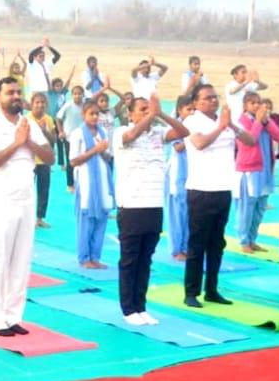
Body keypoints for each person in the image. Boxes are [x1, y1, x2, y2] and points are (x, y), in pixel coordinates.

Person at [0, 77, 55, 335]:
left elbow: (50, 157)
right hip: (0, 202)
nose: (16, 97)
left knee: (21, 262)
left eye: (19, 92)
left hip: (25, 201)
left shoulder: (29, 124)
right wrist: (17, 143)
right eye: (10, 92)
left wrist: (28, 141)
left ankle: (13, 316)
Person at [114, 94, 189, 323]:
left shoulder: (158, 133)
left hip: (154, 204)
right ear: (130, 114)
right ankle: (128, 309)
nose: (147, 113)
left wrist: (162, 114)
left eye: (149, 109)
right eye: (143, 110)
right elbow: (132, 135)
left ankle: (141, 305)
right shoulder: (120, 133)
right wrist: (153, 116)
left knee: (146, 258)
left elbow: (183, 132)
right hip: (132, 204)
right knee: (130, 259)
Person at [182, 84, 255, 307]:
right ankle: (191, 292)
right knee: (197, 244)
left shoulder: (224, 122)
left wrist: (230, 124)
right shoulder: (191, 121)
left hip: (223, 189)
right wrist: (219, 128)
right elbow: (200, 143)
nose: (213, 101)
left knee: (217, 243)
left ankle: (212, 289)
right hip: (201, 190)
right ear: (195, 102)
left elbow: (250, 142)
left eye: (215, 97)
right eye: (207, 98)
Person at [234, 92, 279, 252]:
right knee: (247, 206)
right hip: (250, 169)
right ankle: (243, 240)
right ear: (245, 105)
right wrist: (260, 122)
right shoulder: (242, 121)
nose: (256, 106)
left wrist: (266, 121)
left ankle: (253, 238)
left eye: (258, 103)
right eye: (252, 103)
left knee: (260, 207)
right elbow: (251, 139)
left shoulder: (264, 121)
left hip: (266, 169)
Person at [69, 102, 112, 268]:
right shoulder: (78, 134)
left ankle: (95, 257)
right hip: (86, 183)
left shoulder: (102, 132)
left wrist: (102, 151)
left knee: (101, 220)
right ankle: (84, 258)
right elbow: (73, 161)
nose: (95, 117)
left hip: (102, 183)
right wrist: (95, 149)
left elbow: (108, 157)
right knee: (86, 221)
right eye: (91, 114)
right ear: (84, 115)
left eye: (97, 114)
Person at [165, 97, 195, 260]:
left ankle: (186, 246)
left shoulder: (196, 125)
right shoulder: (175, 127)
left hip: (192, 173)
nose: (191, 113)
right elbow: (177, 147)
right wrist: (190, 137)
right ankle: (176, 249)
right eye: (188, 109)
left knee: (189, 213)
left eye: (193, 109)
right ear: (179, 110)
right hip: (177, 174)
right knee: (177, 213)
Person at [29, 92, 58, 228]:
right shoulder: (26, 119)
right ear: (32, 104)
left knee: (43, 190)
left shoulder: (49, 119)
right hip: (29, 161)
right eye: (37, 102)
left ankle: (39, 218)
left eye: (42, 102)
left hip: (44, 161)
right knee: (27, 190)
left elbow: (53, 141)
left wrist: (44, 131)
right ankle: (27, 218)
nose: (40, 105)